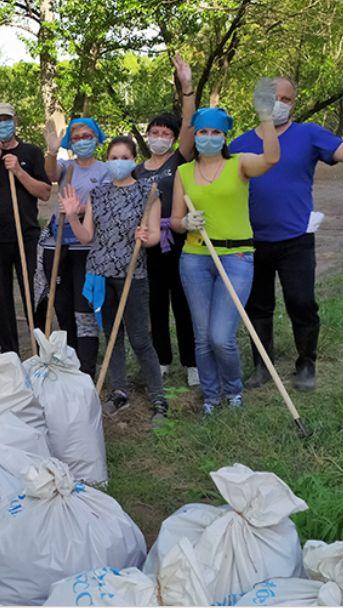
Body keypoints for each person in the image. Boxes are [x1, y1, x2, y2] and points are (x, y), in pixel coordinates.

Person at [230, 78, 343, 391]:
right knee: (257, 306)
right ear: (258, 99)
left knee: (301, 302)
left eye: (286, 98)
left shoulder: (308, 134)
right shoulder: (238, 145)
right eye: (272, 97)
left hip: (295, 239)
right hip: (251, 240)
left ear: (294, 103)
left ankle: (306, 363)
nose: (279, 103)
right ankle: (261, 366)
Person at [170, 79, 280, 416]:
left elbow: (272, 159)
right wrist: (186, 224)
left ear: (224, 136)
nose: (207, 138)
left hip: (236, 257)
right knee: (202, 337)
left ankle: (233, 393)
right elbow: (174, 220)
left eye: (214, 133)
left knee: (221, 336)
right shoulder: (184, 172)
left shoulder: (240, 164)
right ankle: (210, 397)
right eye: (202, 133)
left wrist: (265, 117)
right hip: (195, 258)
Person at [62, 136, 167, 422]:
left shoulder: (149, 192)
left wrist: (144, 239)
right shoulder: (99, 193)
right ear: (107, 160)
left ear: (133, 160)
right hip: (100, 274)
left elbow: (155, 235)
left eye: (124, 157)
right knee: (112, 337)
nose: (118, 162)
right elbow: (87, 236)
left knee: (140, 339)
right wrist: (72, 217)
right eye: (114, 157)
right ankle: (119, 392)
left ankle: (159, 397)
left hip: (132, 274)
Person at [133, 54, 199, 387]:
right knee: (154, 304)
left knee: (182, 302)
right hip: (147, 246)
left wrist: (186, 85)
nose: (159, 136)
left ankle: (192, 363)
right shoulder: (135, 170)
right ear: (147, 136)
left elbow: (190, 124)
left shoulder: (178, 159)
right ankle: (161, 360)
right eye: (154, 131)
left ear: (173, 138)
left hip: (179, 240)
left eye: (165, 132)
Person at [0, 102, 51, 355]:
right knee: (0, 298)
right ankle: (10, 353)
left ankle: (42, 350)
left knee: (34, 294)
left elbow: (45, 192)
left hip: (26, 234)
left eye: (7, 119)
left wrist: (18, 170)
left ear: (15, 121)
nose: (2, 124)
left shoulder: (32, 153)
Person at [41, 117, 113, 376]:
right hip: (59, 243)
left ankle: (87, 366)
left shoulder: (105, 170)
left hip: (88, 246)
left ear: (96, 138)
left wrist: (78, 209)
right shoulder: (66, 166)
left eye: (87, 136)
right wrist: (51, 151)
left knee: (84, 307)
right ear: (70, 142)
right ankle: (68, 358)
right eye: (77, 137)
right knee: (61, 304)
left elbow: (105, 204)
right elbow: (50, 175)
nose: (83, 141)